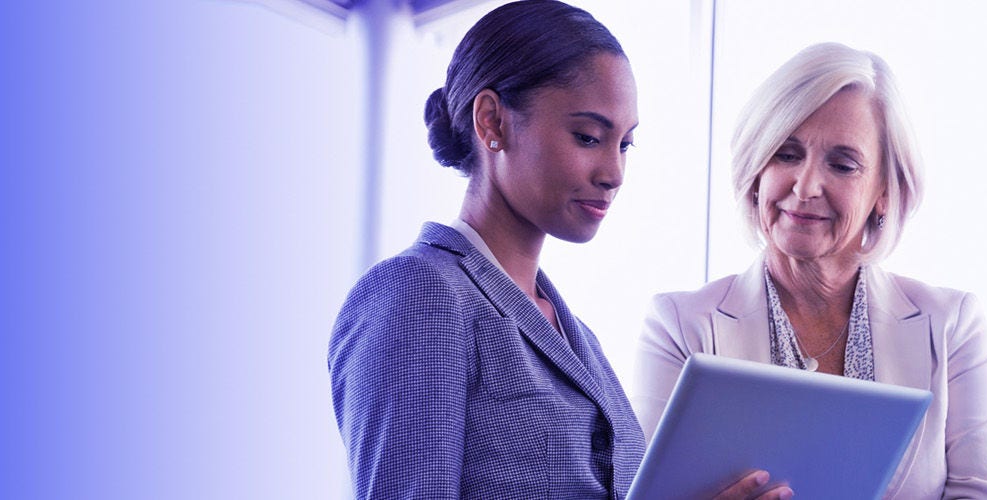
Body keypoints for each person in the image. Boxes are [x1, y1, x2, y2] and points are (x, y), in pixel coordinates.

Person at [329, 1, 787, 498]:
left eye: (624, 144)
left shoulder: (579, 339)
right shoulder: (419, 294)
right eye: (588, 137)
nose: (613, 174)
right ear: (492, 122)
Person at [632, 42, 987, 498]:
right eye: (786, 154)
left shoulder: (951, 327)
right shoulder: (679, 327)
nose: (806, 186)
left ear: (884, 192)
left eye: (842, 165)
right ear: (756, 170)